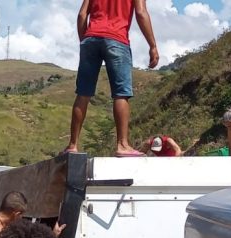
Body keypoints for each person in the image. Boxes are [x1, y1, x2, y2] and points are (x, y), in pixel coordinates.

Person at [64, 0, 159, 157]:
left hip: (91, 38)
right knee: (121, 93)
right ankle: (122, 145)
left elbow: (82, 15)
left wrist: (85, 41)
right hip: (117, 39)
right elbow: (141, 13)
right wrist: (152, 45)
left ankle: (72, 145)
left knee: (83, 93)